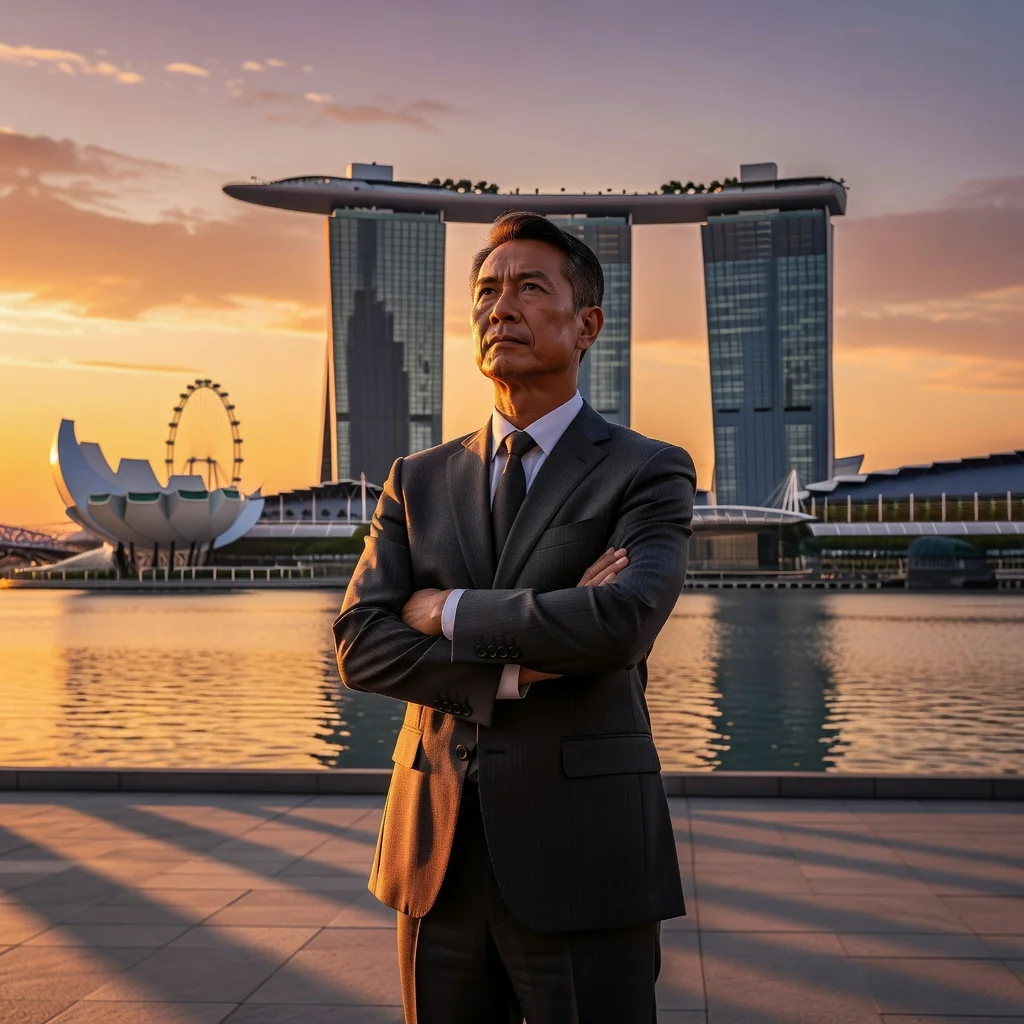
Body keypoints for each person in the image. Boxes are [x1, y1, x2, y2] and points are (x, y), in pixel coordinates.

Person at [334, 210, 696, 1023]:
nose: (502, 307)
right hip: (436, 858)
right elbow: (361, 644)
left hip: (586, 856)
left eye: (531, 287)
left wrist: (447, 608)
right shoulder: (415, 478)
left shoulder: (648, 471)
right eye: (487, 291)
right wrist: (509, 667)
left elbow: (624, 622)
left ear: (587, 323)